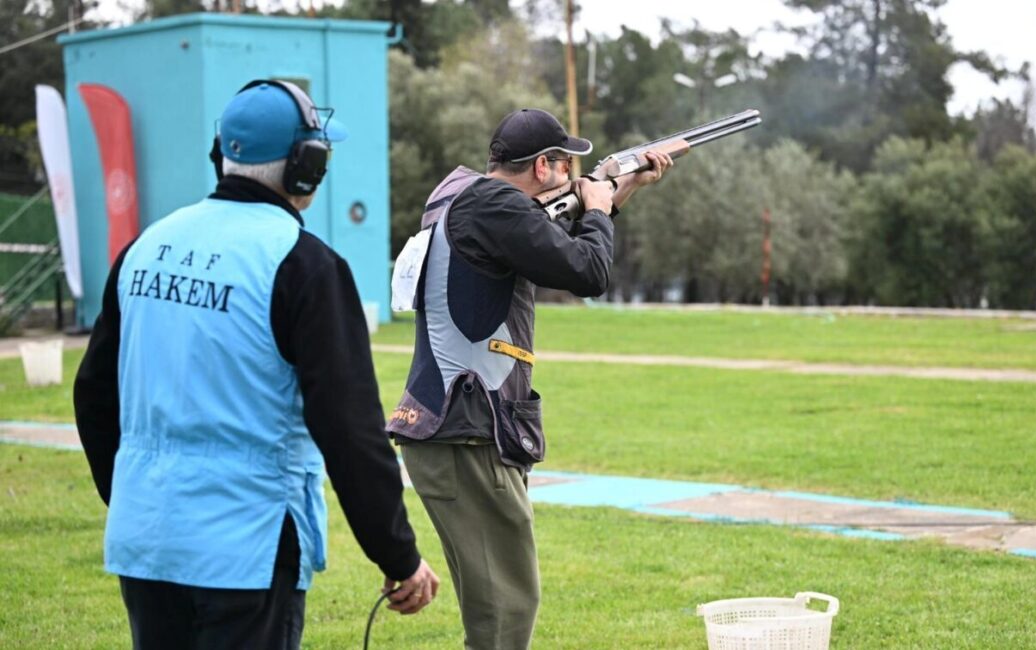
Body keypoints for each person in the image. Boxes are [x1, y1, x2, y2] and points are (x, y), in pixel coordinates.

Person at [73, 80, 439, 650]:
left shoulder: (145, 248)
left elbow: (93, 396)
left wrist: (134, 501)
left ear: (220, 154)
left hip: (147, 539)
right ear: (306, 167)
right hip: (249, 546)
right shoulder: (305, 266)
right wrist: (398, 555)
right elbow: (349, 430)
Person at [387, 107, 672, 648]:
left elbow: (552, 248)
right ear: (543, 167)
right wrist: (599, 208)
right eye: (565, 165)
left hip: (456, 433)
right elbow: (588, 271)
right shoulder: (493, 204)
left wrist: (619, 191)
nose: (569, 175)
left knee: (498, 611)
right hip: (468, 435)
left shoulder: (462, 195)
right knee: (506, 613)